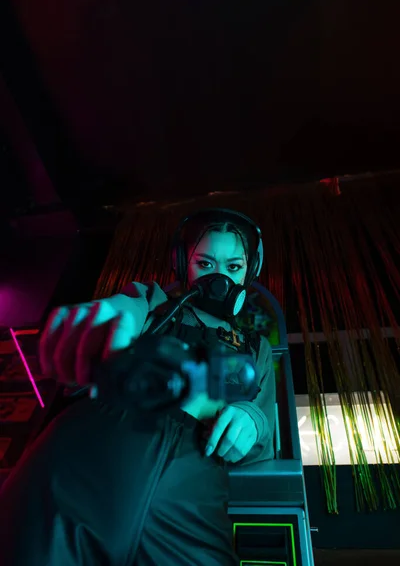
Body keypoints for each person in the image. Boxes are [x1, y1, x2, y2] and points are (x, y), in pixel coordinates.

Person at [0, 208, 276, 566]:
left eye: (233, 267)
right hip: (85, 464)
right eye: (205, 264)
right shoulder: (150, 304)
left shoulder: (256, 348)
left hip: (190, 491)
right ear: (183, 264)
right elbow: (116, 319)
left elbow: (263, 441)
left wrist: (250, 420)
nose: (219, 279)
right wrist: (111, 324)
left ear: (249, 271)